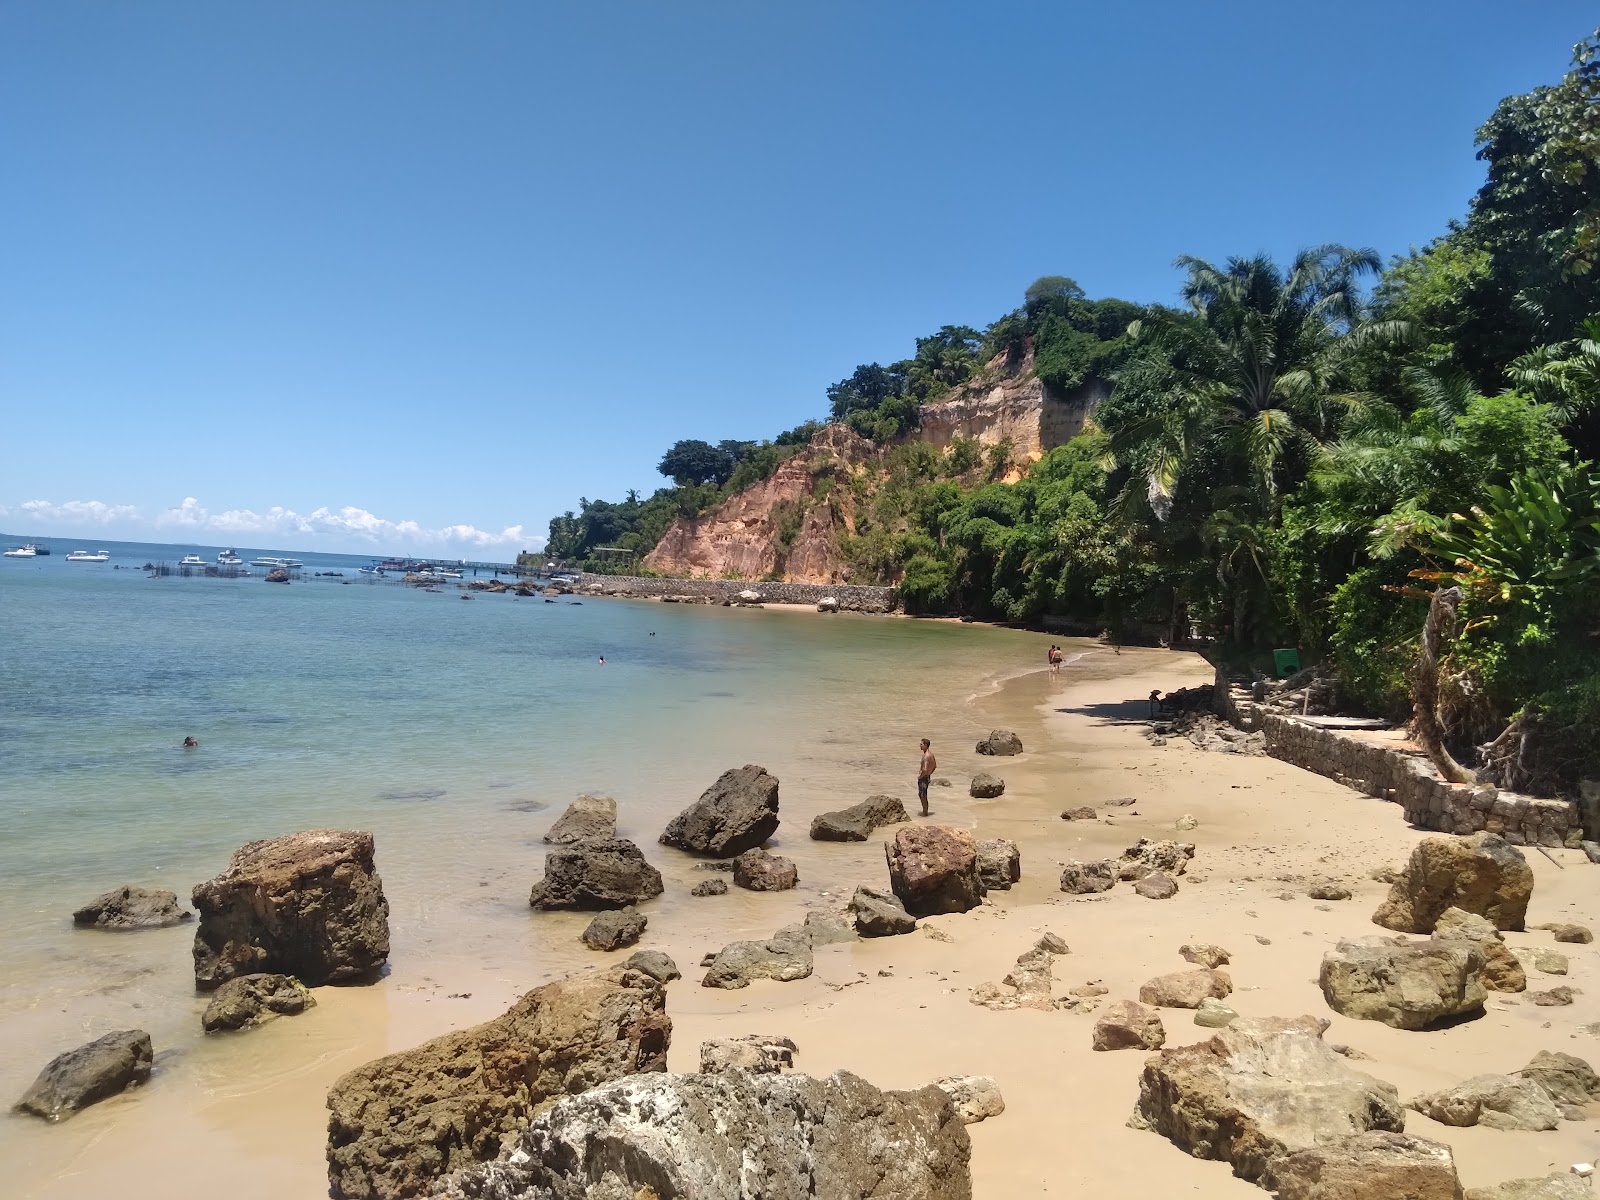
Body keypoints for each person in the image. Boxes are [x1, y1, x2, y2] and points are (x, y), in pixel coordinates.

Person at [916, 738, 937, 815]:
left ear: (926, 745)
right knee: (923, 794)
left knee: (922, 795)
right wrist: (929, 773)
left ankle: (925, 813)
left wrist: (920, 776)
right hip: (927, 777)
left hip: (923, 778)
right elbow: (934, 766)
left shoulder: (926, 756)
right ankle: (925, 811)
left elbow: (924, 769)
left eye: (921, 744)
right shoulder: (931, 754)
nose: (920, 746)